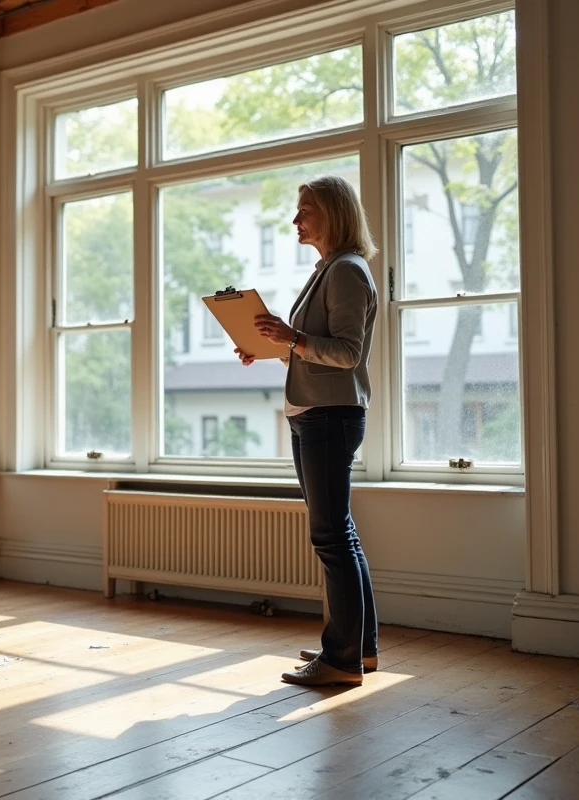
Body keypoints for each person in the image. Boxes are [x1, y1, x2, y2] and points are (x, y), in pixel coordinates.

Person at [234, 175, 379, 687]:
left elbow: (346, 353)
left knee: (330, 536)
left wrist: (292, 337)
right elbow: (316, 350)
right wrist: (274, 346)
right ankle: (359, 649)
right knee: (341, 533)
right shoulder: (330, 270)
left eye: (305, 210)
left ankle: (341, 659)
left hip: (327, 416)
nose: (295, 221)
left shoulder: (345, 272)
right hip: (317, 413)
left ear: (334, 214)